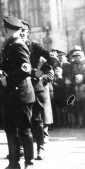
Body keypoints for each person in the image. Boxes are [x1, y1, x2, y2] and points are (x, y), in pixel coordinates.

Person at [0, 17, 35, 169]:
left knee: (24, 130)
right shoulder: (10, 45)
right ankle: (13, 165)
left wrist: (8, 81)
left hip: (21, 95)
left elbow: (26, 69)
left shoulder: (18, 45)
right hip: (12, 96)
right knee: (11, 129)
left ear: (7, 30)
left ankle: (29, 164)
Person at [21, 20, 56, 160]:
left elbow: (52, 60)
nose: (22, 33)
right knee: (22, 119)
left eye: (24, 31)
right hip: (22, 88)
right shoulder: (13, 47)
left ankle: (40, 148)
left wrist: (38, 73)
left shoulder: (35, 46)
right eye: (19, 31)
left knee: (36, 119)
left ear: (28, 33)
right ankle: (23, 149)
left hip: (35, 86)